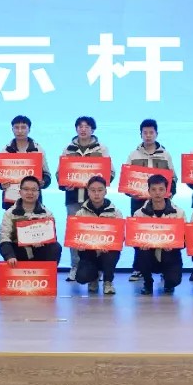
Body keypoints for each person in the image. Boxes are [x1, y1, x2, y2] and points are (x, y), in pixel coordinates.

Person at [58, 116, 113, 282]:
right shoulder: (68, 149)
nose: (83, 129)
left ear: (92, 129)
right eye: (80, 126)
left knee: (97, 233)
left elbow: (110, 172)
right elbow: (60, 173)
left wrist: (101, 183)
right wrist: (64, 184)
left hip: (95, 199)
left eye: (87, 126)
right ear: (76, 129)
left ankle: (99, 268)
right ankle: (75, 266)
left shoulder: (101, 149)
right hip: (73, 198)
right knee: (75, 234)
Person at [124, 118, 177, 282]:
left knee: (162, 234)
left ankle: (164, 269)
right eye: (145, 132)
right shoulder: (133, 155)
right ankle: (138, 268)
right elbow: (127, 180)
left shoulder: (165, 154)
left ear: (156, 134)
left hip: (161, 203)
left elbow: (173, 179)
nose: (148, 135)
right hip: (139, 203)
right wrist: (130, 193)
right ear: (140, 134)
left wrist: (170, 194)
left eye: (151, 132)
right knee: (139, 236)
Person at [133, 174, 186, 296]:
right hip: (149, 254)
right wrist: (140, 244)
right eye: (154, 189)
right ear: (148, 191)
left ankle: (168, 283)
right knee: (141, 253)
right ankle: (147, 282)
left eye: (161, 189)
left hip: (170, 254)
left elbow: (184, 238)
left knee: (174, 281)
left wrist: (175, 245)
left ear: (166, 191)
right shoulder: (139, 214)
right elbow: (134, 238)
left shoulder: (179, 213)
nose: (157, 193)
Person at [74, 176, 123, 295]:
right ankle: (93, 278)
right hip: (88, 252)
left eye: (100, 190)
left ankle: (108, 281)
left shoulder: (115, 213)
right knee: (81, 277)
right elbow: (75, 237)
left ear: (105, 191)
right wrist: (80, 244)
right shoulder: (80, 214)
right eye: (93, 190)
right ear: (88, 192)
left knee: (112, 253)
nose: (96, 193)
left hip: (108, 252)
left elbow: (120, 237)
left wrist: (110, 244)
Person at [0, 175, 64, 265]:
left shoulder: (47, 214)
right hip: (18, 252)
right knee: (8, 249)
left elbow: (52, 238)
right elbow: (4, 238)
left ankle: (48, 272)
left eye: (34, 190)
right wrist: (9, 256)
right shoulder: (9, 213)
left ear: (39, 193)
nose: (30, 193)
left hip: (39, 250)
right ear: (20, 192)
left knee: (55, 247)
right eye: (26, 189)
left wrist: (43, 241)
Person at [0, 115, 52, 210]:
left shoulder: (38, 150)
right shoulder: (5, 151)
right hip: (11, 199)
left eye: (23, 127)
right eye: (16, 127)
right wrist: (1, 184)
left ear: (29, 129)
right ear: (12, 129)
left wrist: (43, 182)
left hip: (33, 200)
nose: (20, 131)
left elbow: (47, 175)